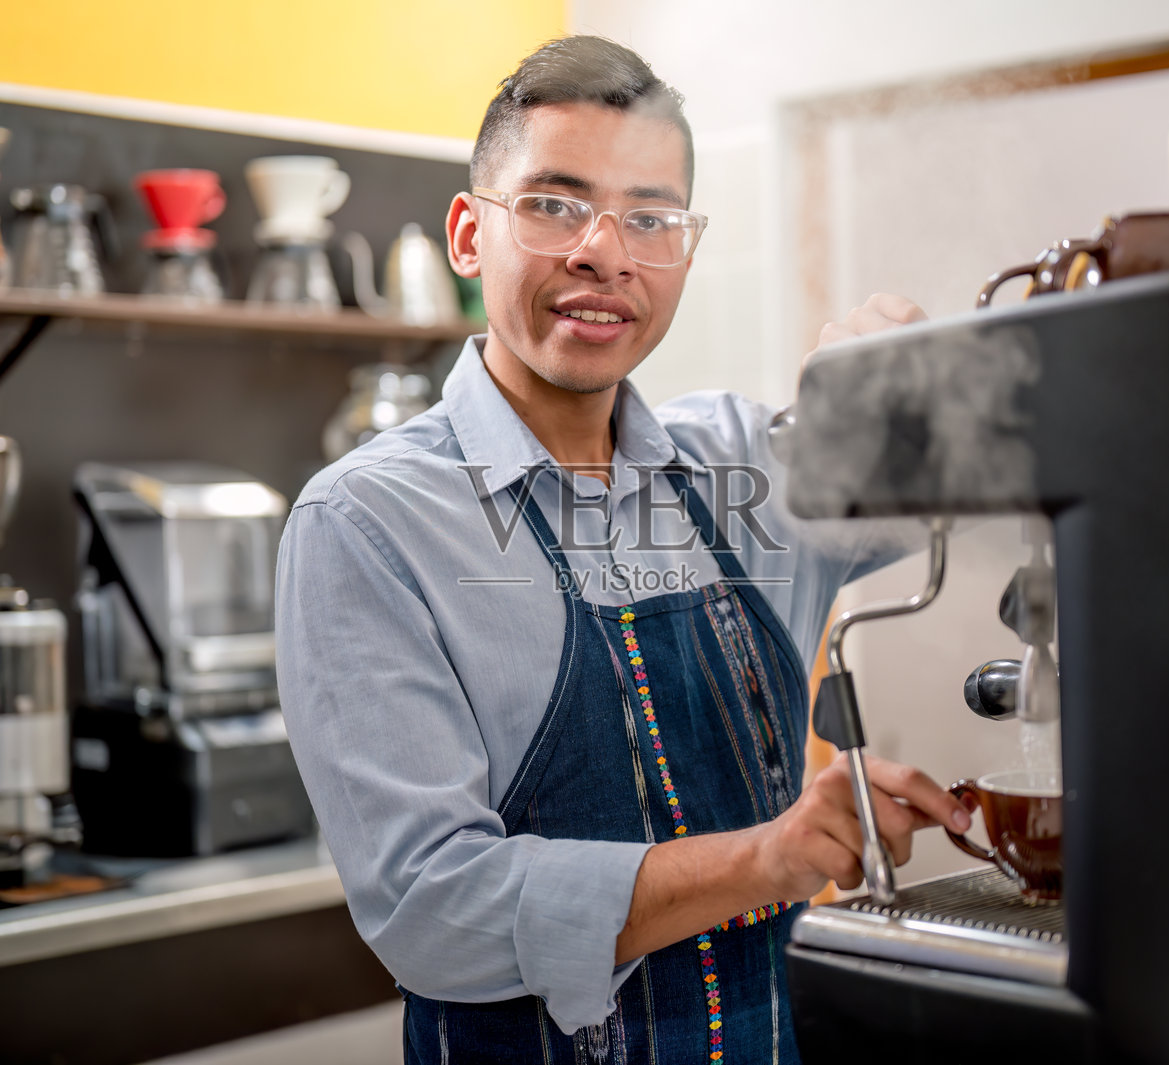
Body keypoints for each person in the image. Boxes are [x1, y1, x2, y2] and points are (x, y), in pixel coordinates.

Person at [276, 35, 970, 1064]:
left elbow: (996, 492)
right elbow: (436, 912)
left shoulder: (744, 460)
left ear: (682, 249)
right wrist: (771, 857)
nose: (605, 250)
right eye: (555, 205)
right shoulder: (368, 523)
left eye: (649, 217)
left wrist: (914, 389)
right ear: (470, 235)